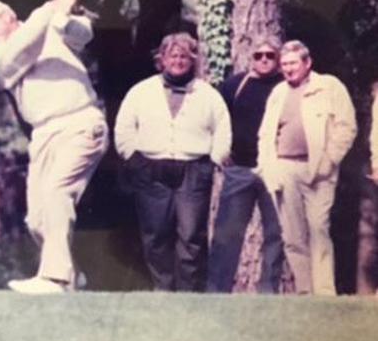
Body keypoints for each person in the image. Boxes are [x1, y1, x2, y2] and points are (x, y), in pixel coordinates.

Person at [0, 0, 108, 293]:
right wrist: (48, 9)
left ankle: (55, 277)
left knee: (58, 193)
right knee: (37, 219)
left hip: (81, 123)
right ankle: (73, 276)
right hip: (44, 135)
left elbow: (83, 35)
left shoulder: (48, 26)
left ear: (8, 16)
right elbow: (25, 46)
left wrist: (66, 13)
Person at [115, 33, 231, 292]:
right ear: (162, 60)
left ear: (192, 60)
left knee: (191, 236)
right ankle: (163, 289)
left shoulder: (208, 94)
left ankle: (189, 294)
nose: (178, 61)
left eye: (184, 56)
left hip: (193, 170)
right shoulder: (141, 91)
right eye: (173, 56)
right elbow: (124, 127)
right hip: (151, 170)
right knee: (155, 234)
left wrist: (212, 161)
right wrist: (133, 159)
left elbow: (223, 127)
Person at [257, 40, 356, 295]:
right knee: (292, 236)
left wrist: (328, 162)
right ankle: (304, 293)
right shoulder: (278, 92)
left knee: (318, 229)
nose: (288, 69)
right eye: (285, 64)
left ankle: (324, 293)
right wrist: (268, 168)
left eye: (293, 63)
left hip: (318, 172)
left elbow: (346, 127)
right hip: (284, 169)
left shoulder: (329, 87)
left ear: (307, 62)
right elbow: (266, 133)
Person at [206, 37, 286, 293]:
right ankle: (216, 293)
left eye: (269, 56)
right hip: (239, 170)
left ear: (278, 58)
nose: (263, 60)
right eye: (258, 55)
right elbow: (214, 119)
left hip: (275, 171)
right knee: (227, 234)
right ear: (251, 58)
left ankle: (268, 293)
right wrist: (219, 151)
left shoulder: (286, 87)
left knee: (276, 235)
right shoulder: (234, 85)